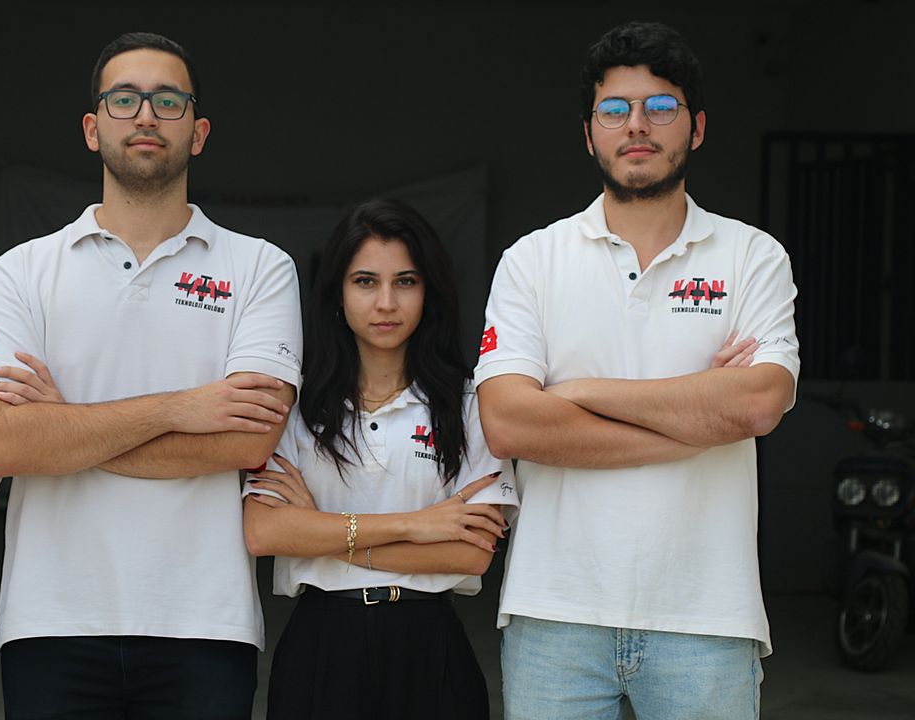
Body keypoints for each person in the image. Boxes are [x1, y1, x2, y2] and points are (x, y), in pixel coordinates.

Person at [0, 32, 303, 719]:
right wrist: (180, 408)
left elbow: (249, 441)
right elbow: (3, 446)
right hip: (51, 620)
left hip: (205, 622)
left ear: (198, 132)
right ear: (93, 129)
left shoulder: (260, 268)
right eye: (124, 100)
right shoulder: (20, 271)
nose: (146, 115)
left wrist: (64, 426)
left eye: (168, 101)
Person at [476, 21, 800, 720]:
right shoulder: (533, 260)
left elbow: (757, 404)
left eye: (660, 106)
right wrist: (700, 417)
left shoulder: (752, 257)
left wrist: (577, 395)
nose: (637, 126)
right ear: (588, 133)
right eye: (615, 110)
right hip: (555, 612)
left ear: (697, 127)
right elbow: (507, 423)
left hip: (707, 616)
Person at [243, 199, 518, 720]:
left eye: (406, 282)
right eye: (365, 282)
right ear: (337, 293)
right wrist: (417, 525)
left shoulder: (470, 404)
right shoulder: (295, 404)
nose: (386, 302)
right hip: (322, 642)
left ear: (429, 292)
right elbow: (264, 532)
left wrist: (321, 532)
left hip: (430, 644)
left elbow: (469, 554)